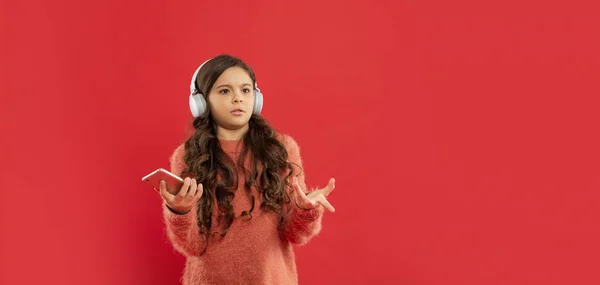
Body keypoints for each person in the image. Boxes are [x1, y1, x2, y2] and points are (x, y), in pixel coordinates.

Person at [158, 54, 336, 285]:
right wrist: (180, 213)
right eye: (224, 91)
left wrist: (304, 209)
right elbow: (192, 245)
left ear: (256, 97)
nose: (237, 99)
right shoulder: (187, 156)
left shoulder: (282, 149)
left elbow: (296, 234)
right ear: (201, 102)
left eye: (245, 90)